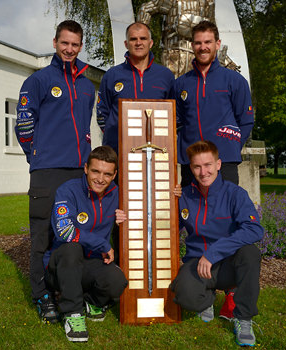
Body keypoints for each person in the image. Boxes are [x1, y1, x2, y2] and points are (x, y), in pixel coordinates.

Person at [15, 20, 95, 323]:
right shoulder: (38, 80)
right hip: (46, 172)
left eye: (75, 44)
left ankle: (68, 288)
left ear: (80, 46)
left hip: (78, 174)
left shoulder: (87, 86)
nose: (69, 49)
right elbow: (24, 125)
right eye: (65, 43)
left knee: (72, 235)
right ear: (55, 42)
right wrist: (36, 154)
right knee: (43, 237)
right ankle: (43, 296)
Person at [170, 140, 264, 347]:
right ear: (191, 168)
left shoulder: (235, 194)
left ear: (219, 164)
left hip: (227, 264)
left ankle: (243, 318)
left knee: (250, 254)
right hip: (198, 263)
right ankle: (207, 298)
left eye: (208, 165)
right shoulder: (183, 196)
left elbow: (254, 229)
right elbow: (167, 229)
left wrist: (213, 253)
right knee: (184, 297)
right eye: (197, 166)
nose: (203, 172)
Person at [43, 146, 128, 342]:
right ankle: (73, 314)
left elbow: (147, 200)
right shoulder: (68, 190)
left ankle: (92, 302)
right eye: (96, 171)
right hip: (61, 266)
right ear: (86, 168)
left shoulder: (117, 193)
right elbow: (65, 232)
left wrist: (174, 191)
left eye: (107, 174)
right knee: (72, 248)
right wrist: (103, 245)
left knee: (117, 282)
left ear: (114, 174)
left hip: (91, 265)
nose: (100, 179)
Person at [174, 20, 254, 187]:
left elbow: (245, 121)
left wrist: (230, 146)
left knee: (224, 212)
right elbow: (177, 121)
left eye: (208, 42)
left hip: (224, 162)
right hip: (191, 164)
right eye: (198, 43)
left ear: (217, 44)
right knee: (192, 212)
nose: (203, 47)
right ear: (192, 45)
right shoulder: (181, 84)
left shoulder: (235, 81)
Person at [96, 22, 175, 155]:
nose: (138, 43)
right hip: (118, 152)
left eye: (143, 38)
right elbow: (102, 114)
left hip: (156, 151)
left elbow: (174, 115)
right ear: (126, 44)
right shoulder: (112, 75)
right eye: (133, 39)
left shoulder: (165, 76)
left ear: (150, 43)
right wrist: (116, 136)